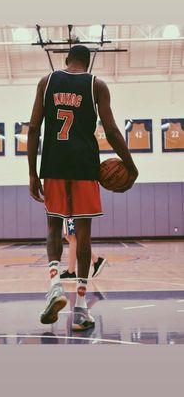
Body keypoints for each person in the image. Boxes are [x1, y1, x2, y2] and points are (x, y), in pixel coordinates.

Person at [27, 45, 138, 331]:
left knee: (54, 228)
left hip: (52, 164)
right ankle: (79, 308)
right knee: (84, 237)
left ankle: (54, 286)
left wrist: (32, 174)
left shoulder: (46, 82)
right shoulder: (96, 85)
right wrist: (130, 165)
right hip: (85, 167)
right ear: (87, 64)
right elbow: (112, 130)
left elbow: (34, 128)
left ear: (66, 60)